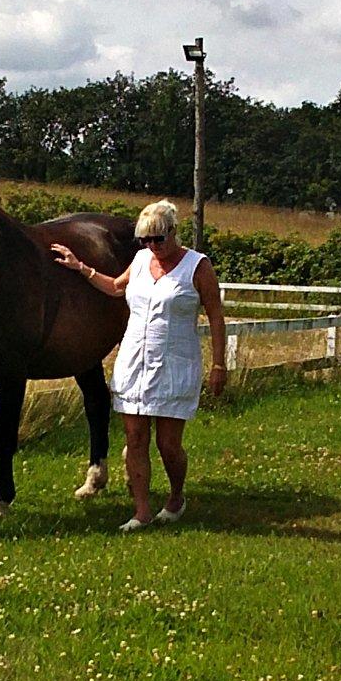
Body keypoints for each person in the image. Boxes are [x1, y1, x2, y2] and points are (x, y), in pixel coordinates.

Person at [51, 199, 227, 532]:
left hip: (174, 364)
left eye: (157, 239)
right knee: (134, 437)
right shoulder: (142, 259)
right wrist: (81, 268)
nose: (151, 246)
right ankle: (142, 511)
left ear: (173, 232)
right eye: (145, 240)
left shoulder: (198, 267)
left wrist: (219, 365)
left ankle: (175, 497)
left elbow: (216, 317)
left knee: (168, 445)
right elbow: (117, 287)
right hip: (134, 361)